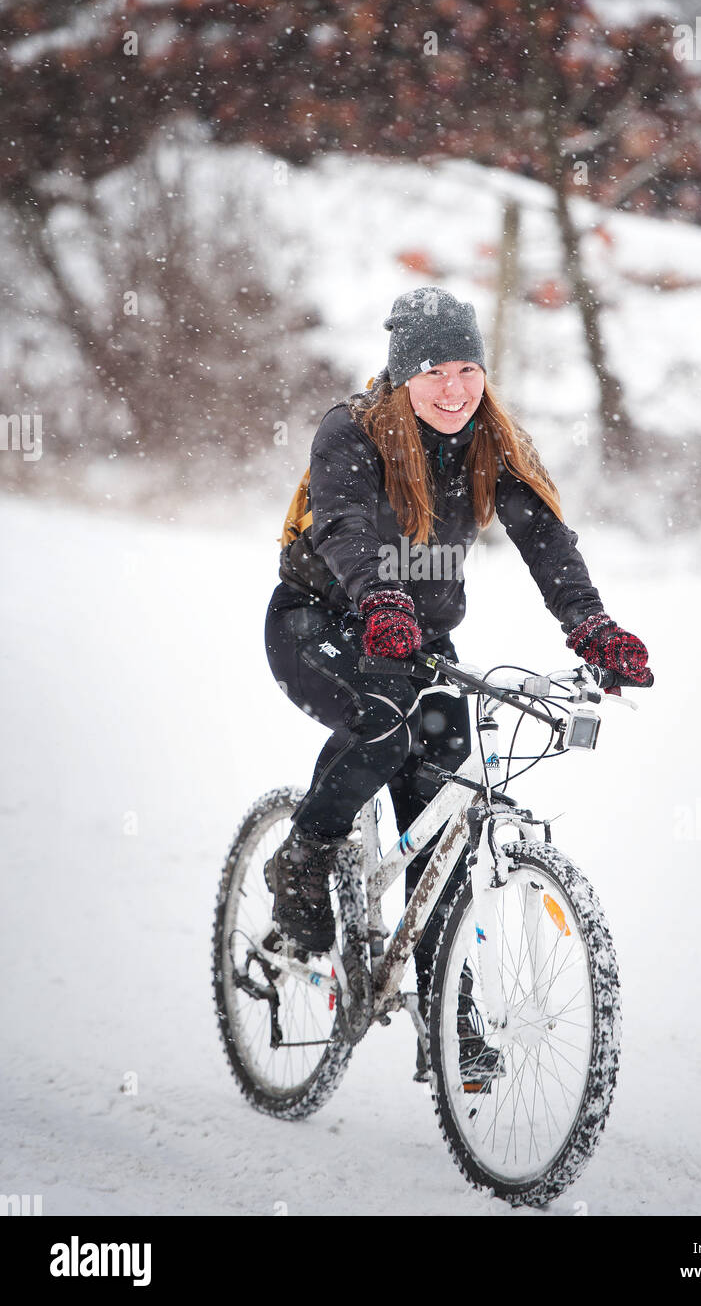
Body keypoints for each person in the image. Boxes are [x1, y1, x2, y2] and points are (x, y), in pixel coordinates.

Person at [263, 286, 652, 1064]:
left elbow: (545, 540)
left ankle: (450, 1021)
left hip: (417, 642)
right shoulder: (353, 432)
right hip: (319, 623)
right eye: (434, 369)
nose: (454, 387)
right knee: (383, 726)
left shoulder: (492, 442)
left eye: (468, 368)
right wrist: (378, 599)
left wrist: (591, 626)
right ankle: (304, 855)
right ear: (404, 374)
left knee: (441, 813)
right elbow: (340, 523)